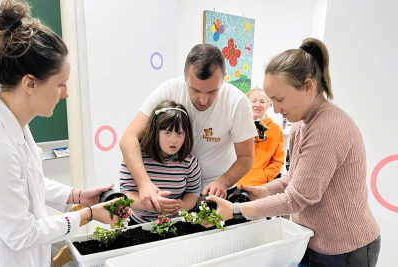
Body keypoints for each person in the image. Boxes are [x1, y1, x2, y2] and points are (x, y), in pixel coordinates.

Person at [205, 38, 380, 266]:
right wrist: (264, 191)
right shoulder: (302, 123)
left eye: (279, 99)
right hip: (312, 240)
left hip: (345, 249)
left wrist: (236, 210)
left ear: (307, 87)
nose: (276, 110)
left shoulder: (328, 127)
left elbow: (297, 198)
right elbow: (293, 177)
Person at [0, 1, 120, 266]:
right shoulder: (1, 147)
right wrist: (88, 214)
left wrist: (77, 196)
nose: (65, 93)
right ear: (30, 83)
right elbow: (21, 234)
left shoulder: (17, 124)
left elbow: (32, 182)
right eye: (60, 84)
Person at [120, 44, 257, 212]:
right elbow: (128, 139)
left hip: (217, 192)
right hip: (174, 191)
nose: (204, 100)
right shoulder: (168, 90)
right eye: (196, 90)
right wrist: (144, 184)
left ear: (223, 78)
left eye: (212, 92)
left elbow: (246, 157)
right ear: (185, 74)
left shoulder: (236, 102)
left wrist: (224, 181)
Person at [120, 100, 201, 224]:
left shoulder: (189, 162)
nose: (174, 140)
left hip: (174, 224)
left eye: (180, 133)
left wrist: (184, 205)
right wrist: (152, 204)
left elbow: (193, 192)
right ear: (155, 132)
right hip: (138, 224)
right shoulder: (135, 158)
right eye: (167, 133)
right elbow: (126, 196)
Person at [236, 88, 284, 188]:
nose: (258, 105)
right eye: (254, 101)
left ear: (268, 105)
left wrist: (265, 176)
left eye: (262, 102)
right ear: (246, 103)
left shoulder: (275, 129)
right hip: (233, 181)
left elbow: (278, 160)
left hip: (259, 185)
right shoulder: (236, 125)